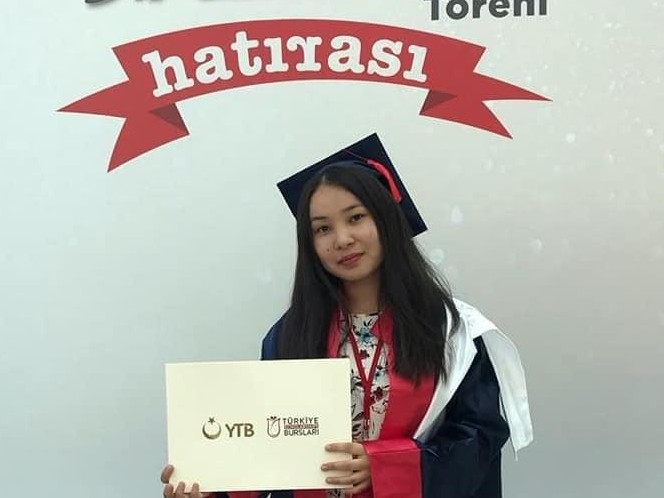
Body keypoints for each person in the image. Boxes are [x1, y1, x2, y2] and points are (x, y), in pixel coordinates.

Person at [161, 133, 532, 498]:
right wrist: (211, 486)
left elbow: (479, 439)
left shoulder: (452, 330)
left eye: (355, 218)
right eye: (323, 228)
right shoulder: (291, 333)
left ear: (386, 220)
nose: (341, 239)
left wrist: (385, 466)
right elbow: (268, 440)